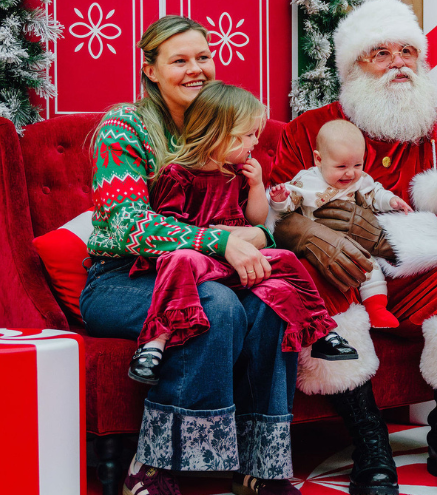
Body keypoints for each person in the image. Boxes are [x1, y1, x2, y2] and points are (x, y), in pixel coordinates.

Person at [271, 0, 437, 495]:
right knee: (315, 272)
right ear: (352, 68)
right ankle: (369, 440)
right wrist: (319, 237)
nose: (398, 62)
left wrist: (376, 238)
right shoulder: (308, 131)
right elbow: (279, 217)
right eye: (380, 53)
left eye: (407, 51)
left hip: (419, 283)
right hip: (344, 280)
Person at [80, 16, 304, 495]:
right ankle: (151, 467)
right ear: (151, 70)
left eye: (202, 57)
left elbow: (248, 222)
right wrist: (222, 241)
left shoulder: (222, 123)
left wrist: (255, 238)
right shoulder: (125, 126)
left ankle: (260, 460)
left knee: (273, 299)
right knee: (215, 305)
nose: (195, 69)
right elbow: (123, 226)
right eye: (178, 60)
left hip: (207, 270)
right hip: (123, 280)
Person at [127, 81, 359, 388]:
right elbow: (169, 228)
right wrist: (215, 238)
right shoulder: (178, 174)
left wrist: (256, 186)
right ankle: (154, 344)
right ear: (218, 134)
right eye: (248, 135)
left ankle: (320, 331)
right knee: (178, 259)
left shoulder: (238, 172)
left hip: (240, 261)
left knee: (286, 259)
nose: (254, 141)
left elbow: (256, 219)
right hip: (200, 260)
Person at [268, 119, 413, 328]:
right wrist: (280, 199)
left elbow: (374, 193)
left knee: (370, 267)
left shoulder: (359, 180)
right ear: (318, 159)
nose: (350, 173)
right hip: (321, 247)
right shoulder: (306, 181)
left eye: (357, 164)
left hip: (356, 241)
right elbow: (287, 208)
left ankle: (377, 310)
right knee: (317, 276)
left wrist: (391, 200)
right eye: (341, 166)